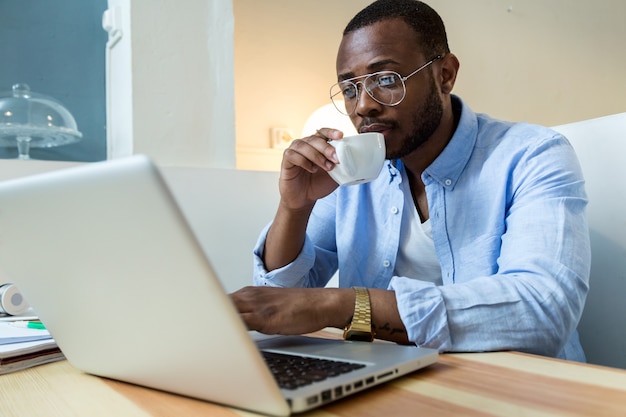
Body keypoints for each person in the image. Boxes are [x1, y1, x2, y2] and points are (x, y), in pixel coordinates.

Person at [231, 0, 590, 361]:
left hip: (517, 386)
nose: (363, 106)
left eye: (385, 79)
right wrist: (295, 207)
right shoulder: (355, 169)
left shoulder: (532, 155)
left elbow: (543, 310)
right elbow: (282, 295)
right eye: (351, 89)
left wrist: (343, 305)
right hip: (386, 377)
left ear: (445, 74)